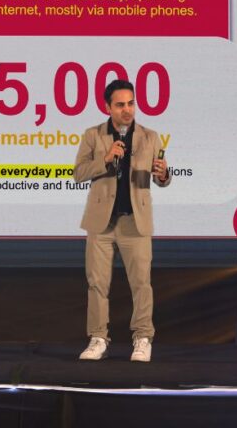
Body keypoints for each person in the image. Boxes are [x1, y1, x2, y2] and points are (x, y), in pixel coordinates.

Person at [73, 79, 171, 362]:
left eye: (131, 103)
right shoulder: (93, 135)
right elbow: (78, 173)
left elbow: (160, 179)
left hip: (135, 221)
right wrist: (105, 159)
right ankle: (98, 338)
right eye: (120, 105)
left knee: (141, 283)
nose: (127, 110)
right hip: (101, 222)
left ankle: (142, 338)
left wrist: (163, 174)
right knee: (97, 284)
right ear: (108, 107)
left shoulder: (150, 137)